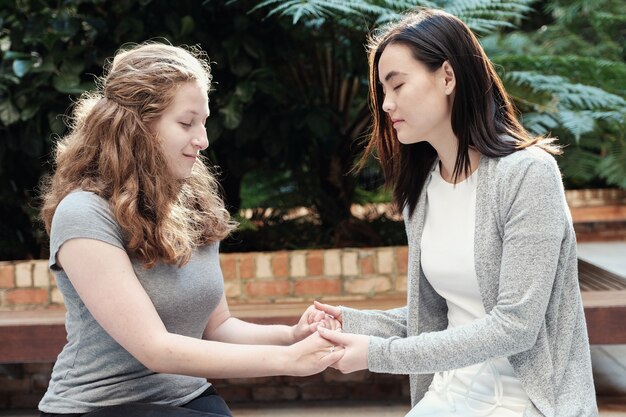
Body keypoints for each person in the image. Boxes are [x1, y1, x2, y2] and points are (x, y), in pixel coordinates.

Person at [311, 8, 597, 417]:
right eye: (382, 92)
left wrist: (378, 354)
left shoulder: (527, 174)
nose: (387, 104)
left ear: (447, 76)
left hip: (527, 401)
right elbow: (441, 315)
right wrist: (351, 323)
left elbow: (516, 326)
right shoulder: (423, 191)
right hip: (450, 392)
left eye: (398, 85)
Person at [38, 41, 343, 417]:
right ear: (136, 127)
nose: (203, 139)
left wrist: (291, 336)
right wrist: (288, 361)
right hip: (100, 406)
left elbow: (219, 327)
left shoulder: (192, 202)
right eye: (186, 123)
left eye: (204, 121)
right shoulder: (84, 213)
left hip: (188, 397)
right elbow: (155, 349)